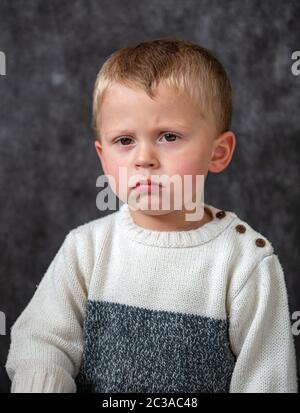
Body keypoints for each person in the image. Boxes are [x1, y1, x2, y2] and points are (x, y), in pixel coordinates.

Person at [5, 37, 298, 393]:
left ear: (218, 152)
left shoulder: (246, 262)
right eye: (124, 140)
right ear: (103, 156)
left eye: (169, 136)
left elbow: (267, 379)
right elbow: (40, 343)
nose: (144, 158)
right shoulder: (86, 249)